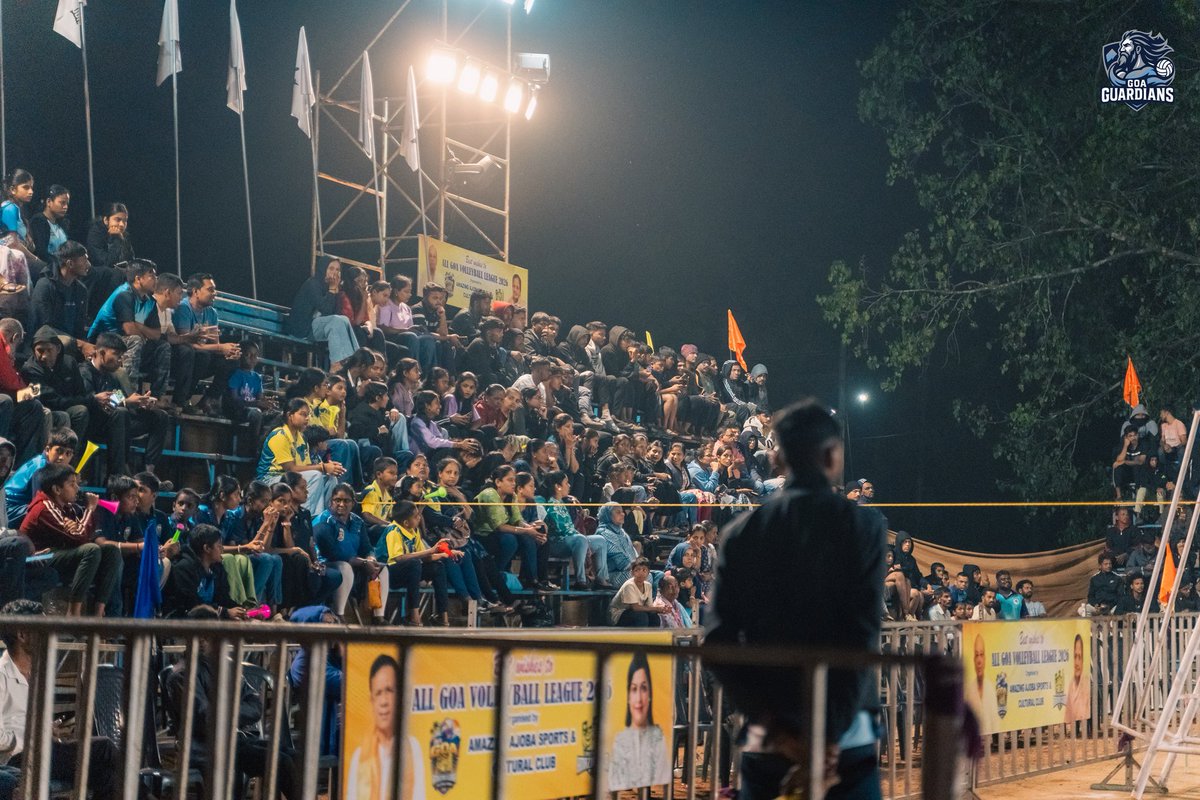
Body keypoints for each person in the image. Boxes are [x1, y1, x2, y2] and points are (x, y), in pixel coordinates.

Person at [706, 399, 884, 800]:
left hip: (769, 740)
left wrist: (778, 728)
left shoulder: (741, 532)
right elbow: (859, 638)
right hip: (846, 742)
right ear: (833, 456)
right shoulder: (863, 525)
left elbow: (718, 645)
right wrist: (826, 738)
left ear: (777, 457)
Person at [0, 599, 129, 800]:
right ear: (22, 635)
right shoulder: (1, 674)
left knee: (107, 774)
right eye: (43, 628)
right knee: (103, 748)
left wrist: (46, 728)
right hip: (16, 758)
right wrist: (31, 736)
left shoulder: (37, 674)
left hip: (41, 751)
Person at [19, 465, 121, 617]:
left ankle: (99, 614)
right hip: (38, 557)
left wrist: (80, 527)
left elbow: (84, 534)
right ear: (57, 489)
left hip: (57, 553)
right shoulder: (44, 508)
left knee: (111, 551)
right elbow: (80, 536)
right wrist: (90, 510)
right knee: (91, 550)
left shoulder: (68, 507)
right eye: (72, 484)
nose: (77, 488)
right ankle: (73, 613)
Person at [78, 333, 168, 476]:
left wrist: (139, 403)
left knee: (160, 417)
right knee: (121, 413)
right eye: (117, 355)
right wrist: (126, 402)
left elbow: (119, 397)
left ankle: (149, 473)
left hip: (118, 423)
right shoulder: (84, 372)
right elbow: (89, 402)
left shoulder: (111, 375)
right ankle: (118, 475)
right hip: (97, 426)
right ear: (101, 353)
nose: (120, 361)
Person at [87, 259, 170, 399]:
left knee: (163, 346)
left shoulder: (150, 301)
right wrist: (141, 331)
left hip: (126, 342)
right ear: (138, 278)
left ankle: (157, 397)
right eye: (152, 275)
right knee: (136, 340)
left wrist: (139, 326)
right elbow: (129, 329)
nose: (156, 279)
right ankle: (131, 393)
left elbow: (156, 334)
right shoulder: (123, 294)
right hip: (105, 342)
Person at [314, 483, 389, 624]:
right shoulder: (324, 521)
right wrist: (363, 562)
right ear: (331, 501)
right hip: (327, 564)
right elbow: (332, 553)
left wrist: (370, 558)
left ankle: (379, 616)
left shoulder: (357, 521)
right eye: (337, 500)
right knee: (344, 567)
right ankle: (339, 614)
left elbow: (367, 547)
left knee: (382, 568)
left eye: (346, 501)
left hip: (356, 562)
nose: (341, 504)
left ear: (353, 503)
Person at [258, 398, 342, 516]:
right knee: (316, 475)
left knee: (330, 479)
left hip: (291, 477)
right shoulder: (279, 436)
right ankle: (306, 517)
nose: (307, 418)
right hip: (270, 478)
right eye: (303, 414)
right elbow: (290, 469)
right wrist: (322, 467)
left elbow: (306, 466)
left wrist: (329, 469)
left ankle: (325, 517)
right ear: (290, 415)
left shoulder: (301, 437)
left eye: (308, 415)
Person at [171, 272, 240, 415]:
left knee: (230, 361)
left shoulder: (212, 313)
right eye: (210, 289)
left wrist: (229, 351)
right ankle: (182, 400)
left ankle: (208, 400)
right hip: (181, 359)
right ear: (196, 291)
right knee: (201, 355)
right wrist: (221, 347)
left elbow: (215, 345)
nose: (215, 293)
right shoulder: (184, 309)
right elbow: (186, 342)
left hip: (201, 358)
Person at [608, 649, 671, 791]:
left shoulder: (659, 739)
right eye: (633, 689)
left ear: (650, 693)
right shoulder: (619, 741)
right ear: (628, 695)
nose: (638, 699)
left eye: (644, 688)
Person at [287, 256, 359, 372]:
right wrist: (332, 290)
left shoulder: (331, 287)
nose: (334, 273)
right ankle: (336, 365)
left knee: (343, 320)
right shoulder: (312, 284)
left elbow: (335, 312)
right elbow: (326, 310)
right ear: (323, 269)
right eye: (331, 268)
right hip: (302, 329)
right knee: (336, 321)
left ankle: (357, 359)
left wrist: (335, 291)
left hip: (318, 327)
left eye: (337, 270)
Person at [161, 524, 247, 619]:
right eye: (219, 546)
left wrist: (242, 611)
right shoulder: (183, 568)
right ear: (207, 548)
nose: (222, 549)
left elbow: (223, 599)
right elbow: (191, 605)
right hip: (183, 622)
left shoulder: (217, 568)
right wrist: (225, 613)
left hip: (211, 618)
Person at [82, 203, 134, 321]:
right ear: (106, 220)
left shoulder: (124, 236)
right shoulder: (96, 232)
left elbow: (130, 259)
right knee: (114, 273)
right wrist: (117, 240)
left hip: (116, 273)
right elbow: (105, 262)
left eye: (125, 221)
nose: (121, 224)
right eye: (117, 219)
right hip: (95, 273)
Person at [609, 557, 666, 627]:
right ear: (632, 573)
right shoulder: (629, 585)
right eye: (637, 570)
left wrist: (661, 608)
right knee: (641, 617)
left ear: (648, 572)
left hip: (635, 612)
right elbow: (635, 607)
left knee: (654, 617)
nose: (641, 573)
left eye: (644, 570)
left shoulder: (648, 586)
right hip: (619, 614)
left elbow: (649, 606)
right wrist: (656, 608)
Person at [1064, 633, 1090, 723]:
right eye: (1075, 656)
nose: (1077, 662)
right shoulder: (1069, 685)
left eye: (1080, 657)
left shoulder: (1086, 684)